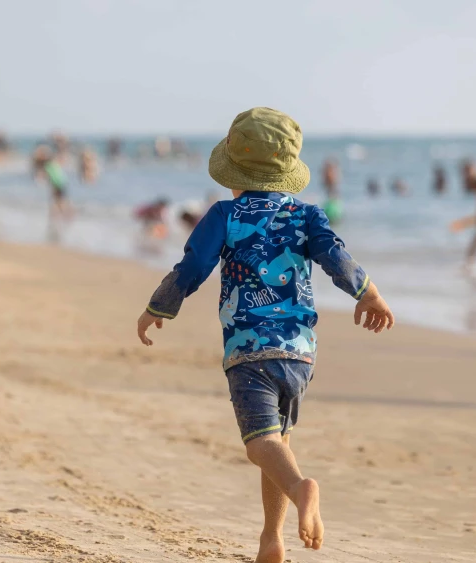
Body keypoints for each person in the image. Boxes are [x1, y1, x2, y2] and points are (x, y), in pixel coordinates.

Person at [135, 108, 394, 561]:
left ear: (233, 173)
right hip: (299, 353)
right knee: (278, 440)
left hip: (248, 351)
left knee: (260, 443)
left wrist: (160, 305)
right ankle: (271, 541)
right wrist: (367, 292)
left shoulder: (225, 213)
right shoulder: (307, 214)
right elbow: (335, 256)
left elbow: (195, 265)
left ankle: (301, 488)